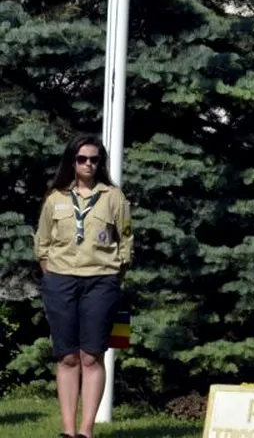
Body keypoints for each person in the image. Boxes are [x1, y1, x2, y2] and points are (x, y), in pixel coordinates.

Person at [34, 134, 133, 438]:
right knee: (67, 356)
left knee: (91, 355)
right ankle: (67, 430)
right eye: (82, 159)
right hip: (61, 280)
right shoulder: (56, 198)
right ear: (72, 162)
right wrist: (50, 272)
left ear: (100, 162)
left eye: (94, 159)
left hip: (100, 281)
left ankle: (85, 431)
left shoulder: (113, 197)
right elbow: (43, 242)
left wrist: (116, 271)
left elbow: (125, 238)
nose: (88, 164)